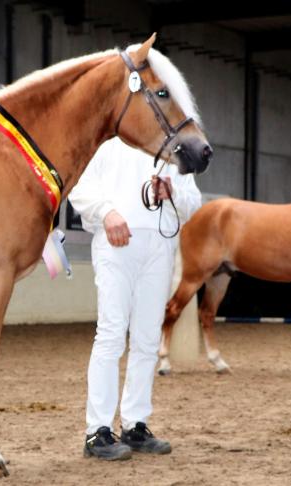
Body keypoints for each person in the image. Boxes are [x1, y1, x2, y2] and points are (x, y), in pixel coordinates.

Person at [69, 136, 202, 460]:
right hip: (115, 243)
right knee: (111, 334)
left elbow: (194, 202)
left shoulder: (174, 150)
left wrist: (172, 193)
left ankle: (135, 424)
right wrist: (107, 212)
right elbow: (79, 187)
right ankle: (97, 431)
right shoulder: (105, 143)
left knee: (147, 339)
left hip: (160, 245)